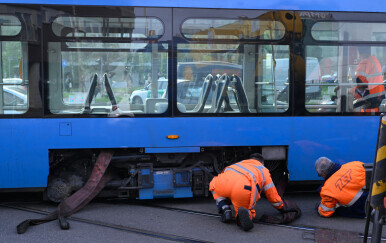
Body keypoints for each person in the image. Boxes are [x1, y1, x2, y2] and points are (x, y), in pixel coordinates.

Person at [209, 153, 284, 231]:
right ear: (262, 163)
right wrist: (280, 207)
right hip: (241, 189)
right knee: (245, 210)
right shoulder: (263, 169)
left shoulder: (239, 164)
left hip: (222, 184)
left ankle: (225, 208)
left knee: (213, 185)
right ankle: (243, 216)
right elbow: (271, 193)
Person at [352, 46, 385, 112]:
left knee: (350, 105)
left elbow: (358, 82)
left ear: (359, 53)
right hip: (378, 97)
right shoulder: (374, 60)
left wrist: (351, 91)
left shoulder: (365, 62)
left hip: (370, 99)